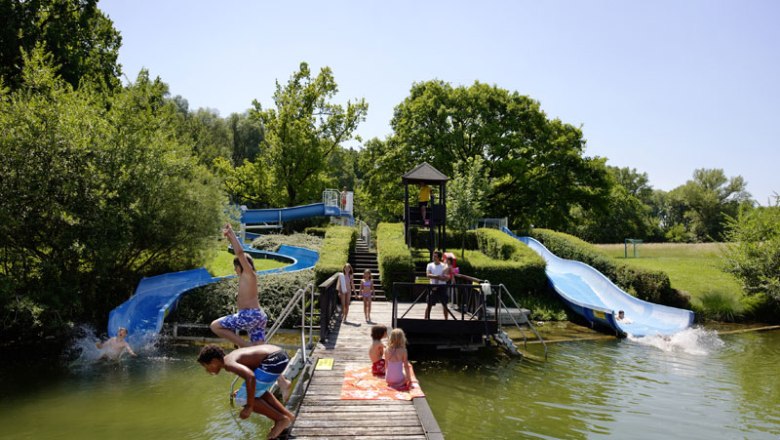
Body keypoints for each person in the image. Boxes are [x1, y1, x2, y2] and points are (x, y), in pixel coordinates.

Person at [210, 223, 291, 400]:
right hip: (257, 318)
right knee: (262, 357)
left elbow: (240, 254)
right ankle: (283, 383)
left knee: (215, 326)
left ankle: (243, 346)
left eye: (235, 267)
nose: (234, 270)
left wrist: (231, 236)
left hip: (250, 316)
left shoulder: (249, 274)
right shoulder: (248, 277)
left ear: (241, 267)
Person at [198, 344, 296, 439]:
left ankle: (280, 419)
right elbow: (253, 376)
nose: (207, 370)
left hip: (272, 361)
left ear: (214, 361)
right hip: (280, 356)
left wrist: (249, 406)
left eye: (206, 366)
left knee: (241, 399)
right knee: (256, 392)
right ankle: (288, 416)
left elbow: (250, 377)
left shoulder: (228, 364)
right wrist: (245, 392)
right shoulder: (232, 357)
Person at [424, 251, 449, 320]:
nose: (433, 258)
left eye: (435, 256)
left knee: (445, 304)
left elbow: (446, 277)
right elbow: (428, 275)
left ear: (439, 258)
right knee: (429, 304)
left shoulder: (444, 265)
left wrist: (439, 277)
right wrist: (438, 277)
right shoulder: (429, 265)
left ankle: (446, 320)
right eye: (433, 256)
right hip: (433, 286)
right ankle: (426, 319)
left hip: (442, 286)